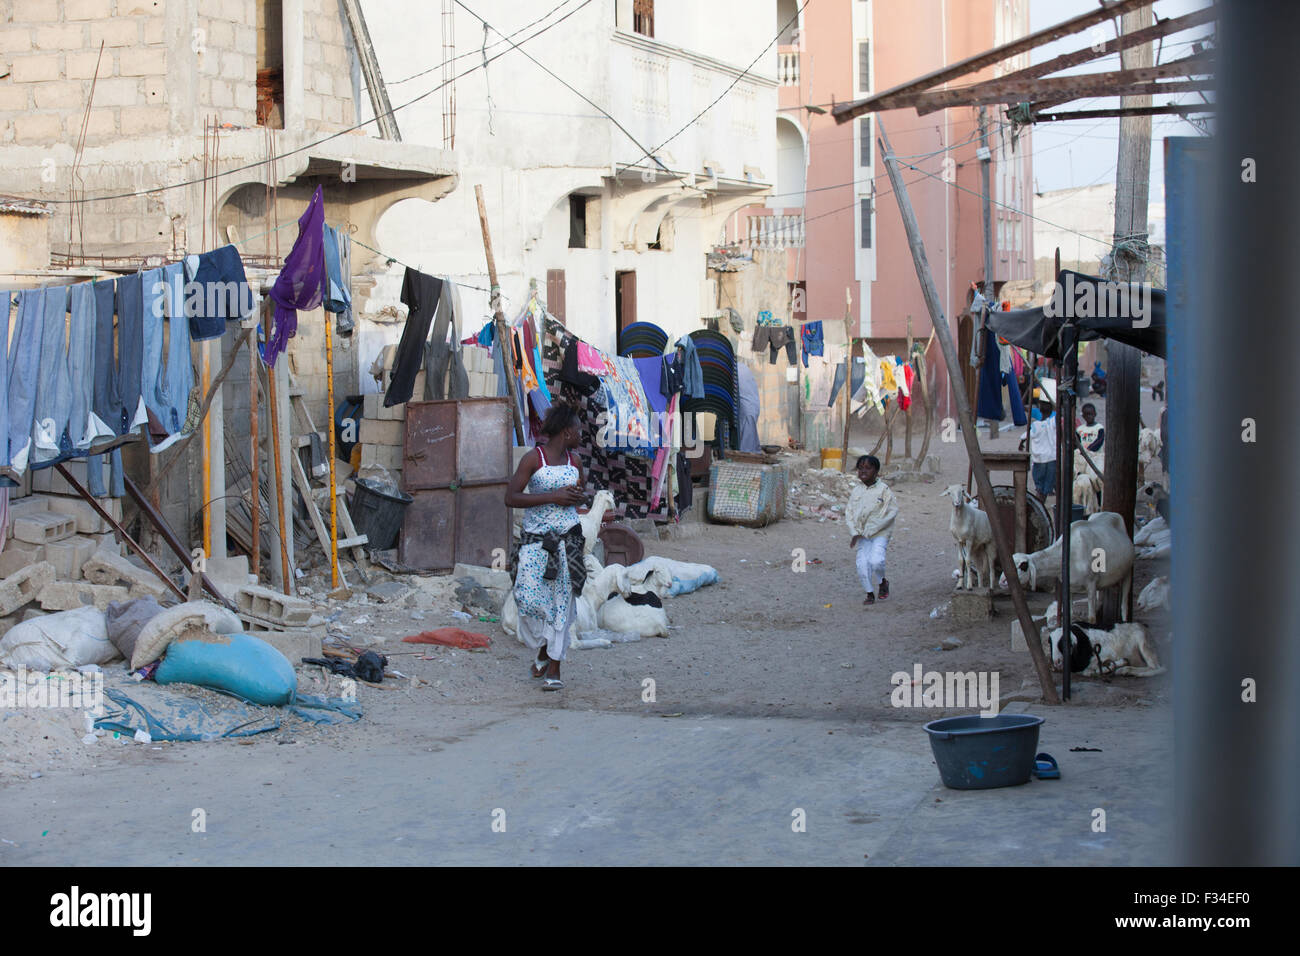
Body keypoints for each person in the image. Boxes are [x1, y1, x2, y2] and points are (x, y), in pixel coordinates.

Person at [504, 402, 588, 691]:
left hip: (567, 542)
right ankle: (544, 649)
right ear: (566, 432)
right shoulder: (533, 459)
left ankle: (555, 666)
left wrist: (577, 497)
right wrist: (552, 496)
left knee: (562, 603)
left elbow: (580, 497)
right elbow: (511, 497)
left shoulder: (574, 462)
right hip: (535, 543)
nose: (581, 435)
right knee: (527, 599)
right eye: (578, 431)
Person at [846, 454, 899, 607]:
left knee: (876, 561)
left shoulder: (884, 490)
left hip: (880, 533)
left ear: (876, 472)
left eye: (868, 468)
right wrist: (854, 532)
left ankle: (882, 582)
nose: (863, 471)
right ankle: (869, 593)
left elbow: (892, 512)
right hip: (862, 534)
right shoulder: (856, 491)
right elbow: (849, 513)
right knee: (862, 565)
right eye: (860, 468)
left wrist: (875, 527)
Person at [1022, 399, 1057, 500]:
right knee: (1049, 482)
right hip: (1051, 457)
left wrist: (1021, 443)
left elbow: (1025, 435)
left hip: (1039, 459)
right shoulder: (1053, 421)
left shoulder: (1035, 425)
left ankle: (1040, 504)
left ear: (1040, 409)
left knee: (1039, 487)